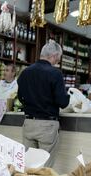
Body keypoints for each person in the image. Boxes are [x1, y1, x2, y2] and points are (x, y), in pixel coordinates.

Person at [17, 40, 70, 168]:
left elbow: (20, 97)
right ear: (54, 55)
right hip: (47, 126)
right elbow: (62, 102)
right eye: (59, 58)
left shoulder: (25, 72)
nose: (58, 61)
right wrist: (68, 96)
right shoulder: (55, 74)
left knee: (28, 165)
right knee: (45, 167)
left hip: (29, 123)